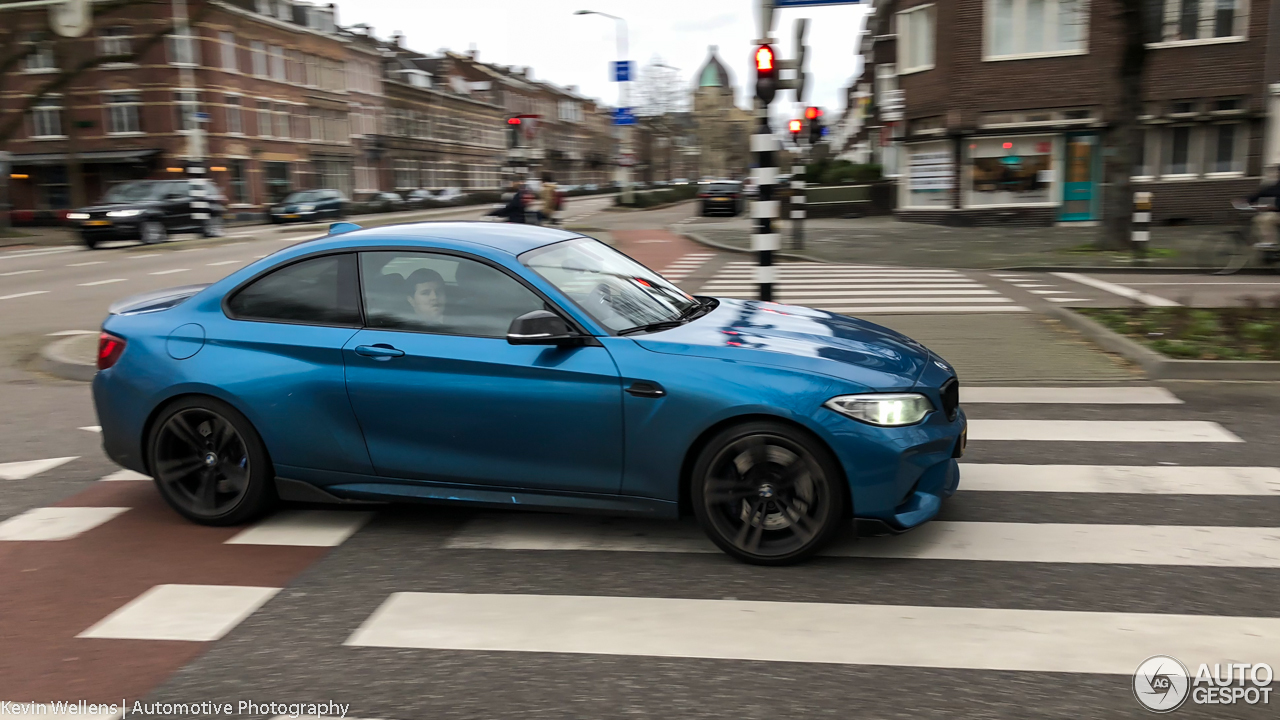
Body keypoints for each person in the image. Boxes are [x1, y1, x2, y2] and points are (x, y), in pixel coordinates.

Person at [1244, 176, 1280, 247]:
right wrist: (1247, 199)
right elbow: (1265, 192)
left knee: (1267, 218)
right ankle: (1269, 243)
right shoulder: (1277, 186)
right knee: (1261, 219)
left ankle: (1270, 243)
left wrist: (1273, 207)